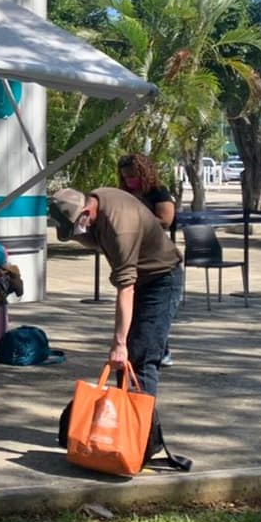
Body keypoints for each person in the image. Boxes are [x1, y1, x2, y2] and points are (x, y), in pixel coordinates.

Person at [50, 187, 182, 398]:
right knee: (124, 361)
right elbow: (97, 241)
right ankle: (122, 423)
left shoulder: (121, 227)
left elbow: (126, 287)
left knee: (140, 357)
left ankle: (139, 428)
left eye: (76, 227)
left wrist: (119, 343)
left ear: (86, 214)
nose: (78, 234)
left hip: (161, 280)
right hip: (142, 278)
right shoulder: (97, 198)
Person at [118, 152, 184, 365]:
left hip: (157, 255)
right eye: (125, 177)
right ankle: (155, 346)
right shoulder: (124, 193)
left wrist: (137, 220)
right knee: (138, 309)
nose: (129, 180)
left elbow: (165, 220)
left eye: (133, 176)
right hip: (134, 256)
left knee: (156, 312)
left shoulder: (158, 192)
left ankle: (161, 350)